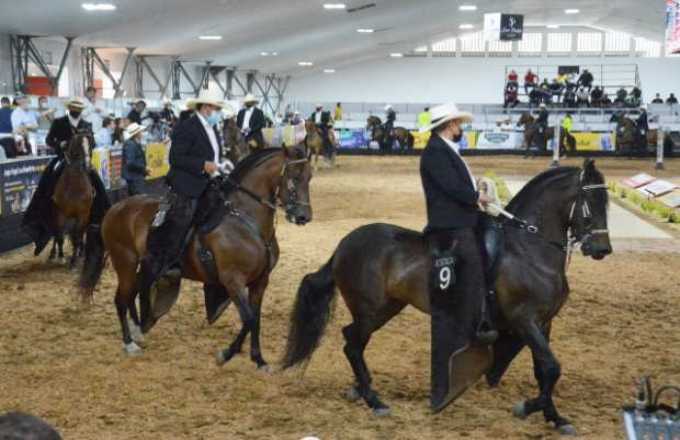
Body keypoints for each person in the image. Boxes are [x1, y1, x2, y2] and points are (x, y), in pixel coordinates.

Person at [419, 103, 498, 408]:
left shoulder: (446, 149)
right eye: (458, 123)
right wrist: (476, 196)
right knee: (473, 273)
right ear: (450, 125)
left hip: (463, 220)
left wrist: (475, 190)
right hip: (450, 228)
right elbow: (452, 188)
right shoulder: (437, 153)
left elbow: (458, 185)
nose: (461, 128)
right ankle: (476, 324)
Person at [138, 91, 225, 324]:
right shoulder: (187, 127)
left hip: (210, 181)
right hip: (187, 184)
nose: (216, 112)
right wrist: (203, 165)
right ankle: (169, 262)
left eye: (217, 108)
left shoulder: (213, 128)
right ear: (205, 107)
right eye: (214, 108)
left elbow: (214, 154)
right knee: (182, 218)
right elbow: (176, 158)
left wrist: (220, 165)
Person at [22, 99, 109, 255]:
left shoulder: (86, 124)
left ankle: (102, 209)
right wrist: (60, 144)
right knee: (49, 175)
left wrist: (87, 147)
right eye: (74, 108)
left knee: (97, 180)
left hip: (82, 161)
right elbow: (49, 140)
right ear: (69, 109)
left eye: (78, 109)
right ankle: (45, 202)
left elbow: (93, 142)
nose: (76, 111)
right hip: (64, 158)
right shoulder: (59, 122)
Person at [122, 123, 150, 196]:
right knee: (140, 199)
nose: (142, 133)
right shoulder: (131, 144)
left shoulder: (133, 143)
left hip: (135, 176)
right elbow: (130, 163)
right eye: (141, 131)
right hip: (134, 177)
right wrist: (144, 168)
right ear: (137, 133)